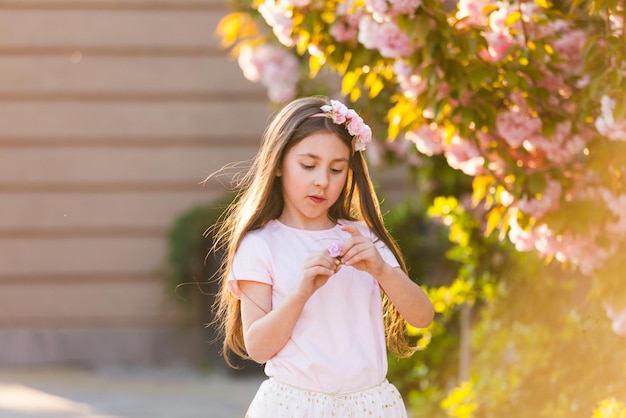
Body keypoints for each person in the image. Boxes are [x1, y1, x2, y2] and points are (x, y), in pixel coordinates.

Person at [212, 96, 434, 417]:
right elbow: (258, 348)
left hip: (369, 407)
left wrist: (382, 270)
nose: (322, 181)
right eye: (308, 165)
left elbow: (422, 316)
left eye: (336, 169)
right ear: (277, 164)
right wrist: (301, 291)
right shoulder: (261, 245)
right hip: (295, 406)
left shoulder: (362, 238)